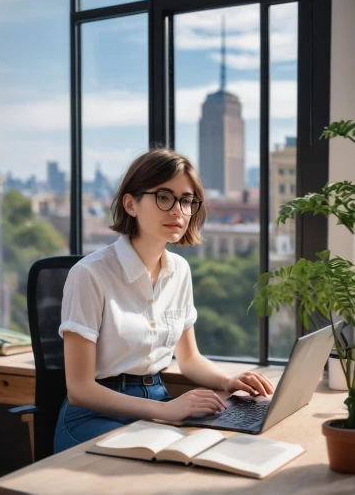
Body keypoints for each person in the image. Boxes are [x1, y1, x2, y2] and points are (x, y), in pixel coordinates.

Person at [54, 148, 274, 453]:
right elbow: (79, 390)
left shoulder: (180, 271)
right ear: (130, 204)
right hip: (95, 414)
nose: (178, 211)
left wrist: (228, 381)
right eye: (164, 197)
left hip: (158, 400)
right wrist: (165, 411)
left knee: (226, 449)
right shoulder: (90, 275)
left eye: (186, 200)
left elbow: (189, 359)